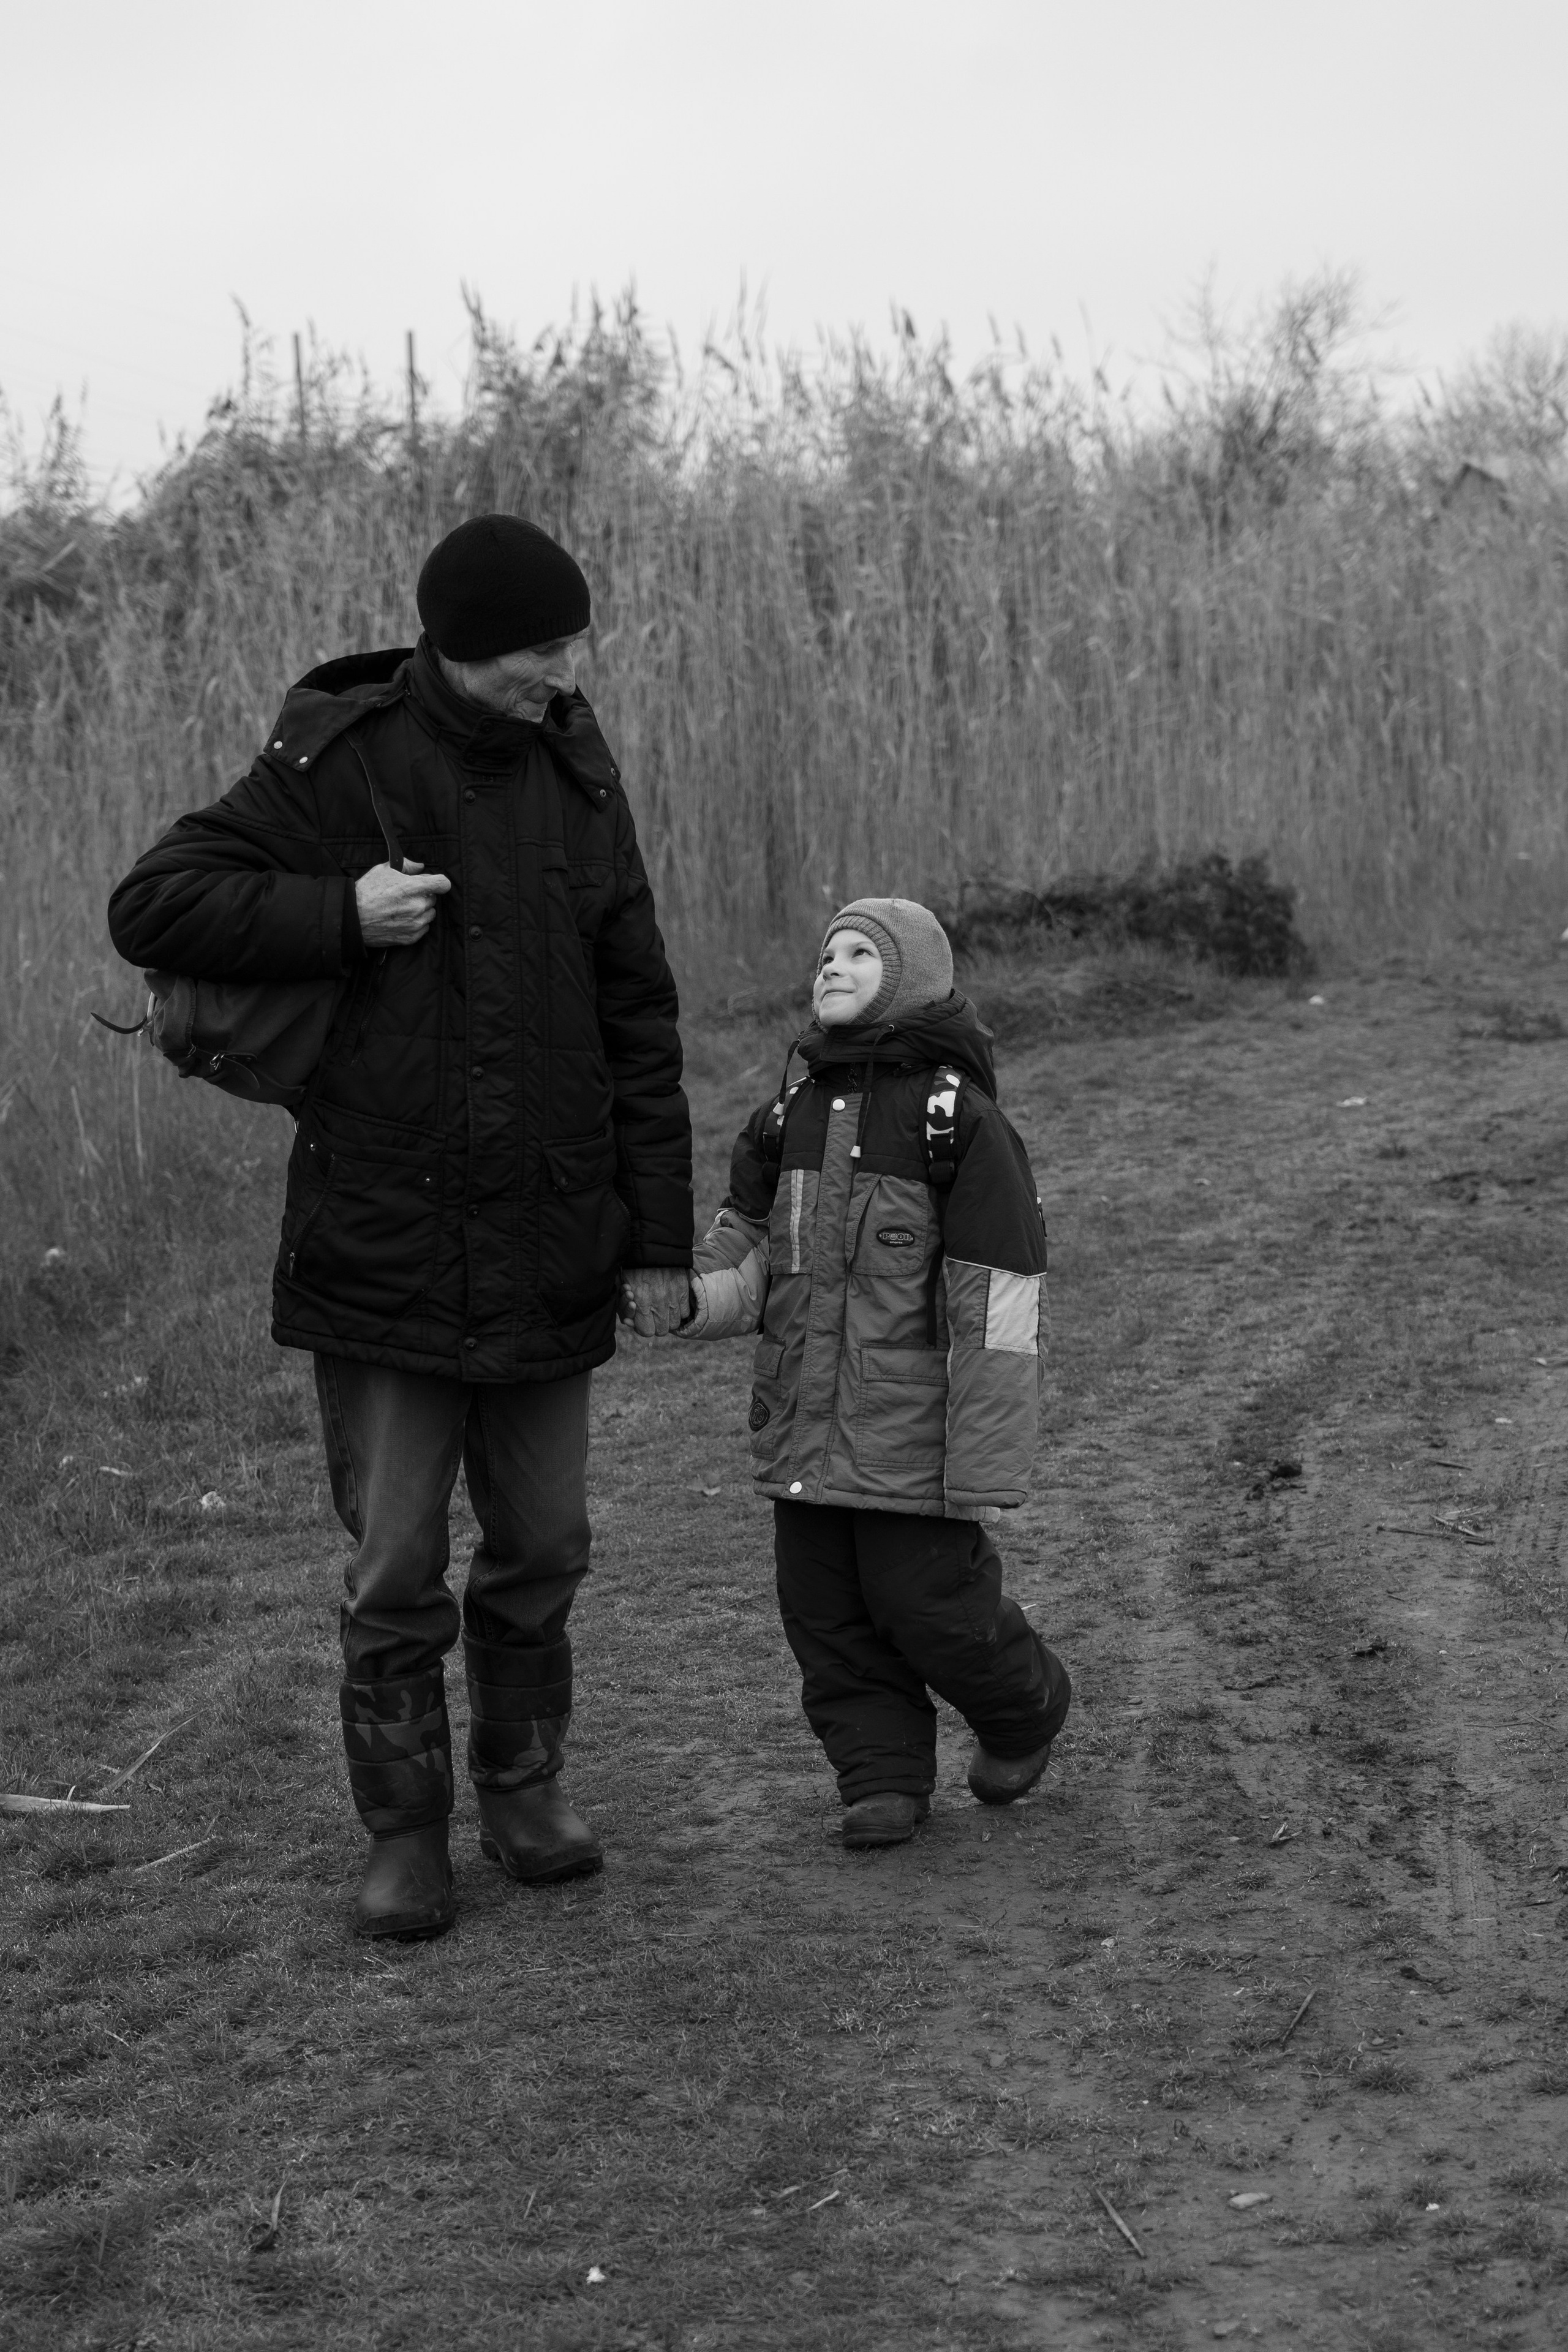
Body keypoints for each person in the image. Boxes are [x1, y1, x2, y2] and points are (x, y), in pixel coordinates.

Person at [108, 514, 693, 1939]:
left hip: (554, 1229)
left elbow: (637, 1014)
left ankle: (524, 1787)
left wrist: (661, 1239)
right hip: (384, 1241)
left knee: (544, 1541)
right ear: (457, 642)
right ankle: (405, 1834)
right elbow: (153, 904)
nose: (563, 675)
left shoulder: (578, 769)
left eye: (571, 648)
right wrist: (337, 910)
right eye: (538, 652)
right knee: (393, 1565)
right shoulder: (337, 761)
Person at [681, 898, 1071, 1847]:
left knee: (927, 1604)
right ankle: (882, 1778)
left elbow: (995, 1304)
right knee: (825, 1615)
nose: (834, 966)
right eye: (827, 953)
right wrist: (688, 1301)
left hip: (913, 1434)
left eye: (861, 953)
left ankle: (1025, 1707)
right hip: (802, 1422)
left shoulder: (958, 1122)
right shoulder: (788, 1116)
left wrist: (984, 1460)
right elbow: (748, 1252)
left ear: (916, 979)